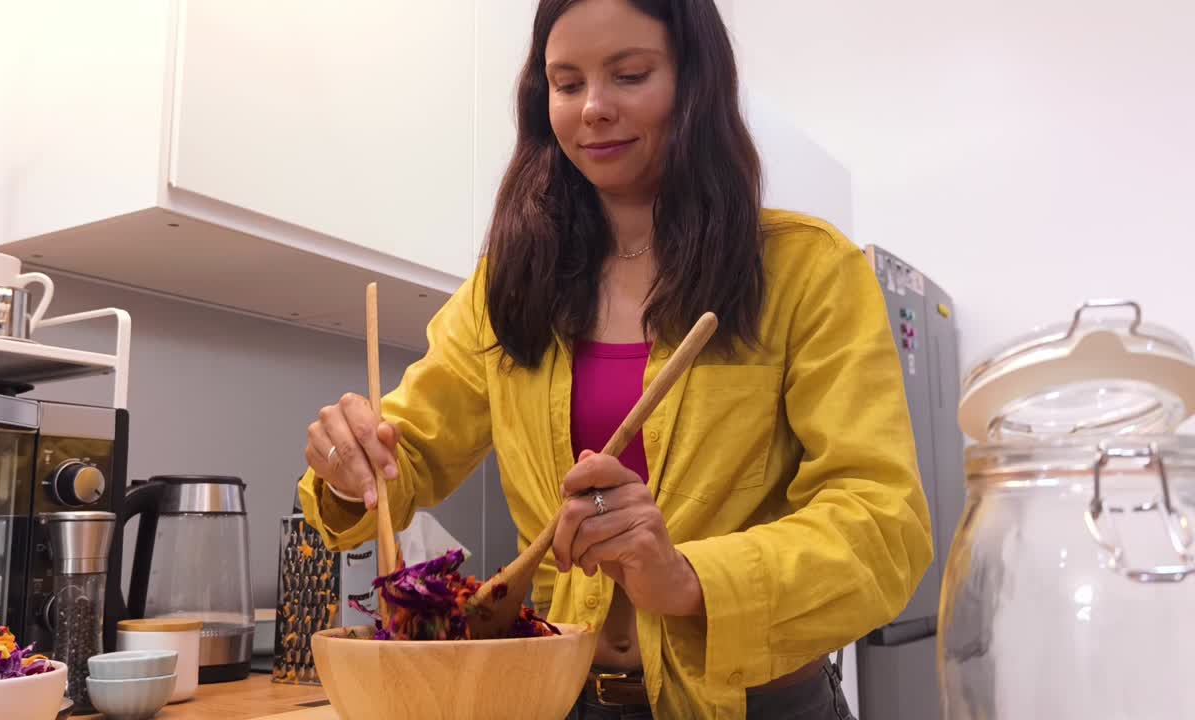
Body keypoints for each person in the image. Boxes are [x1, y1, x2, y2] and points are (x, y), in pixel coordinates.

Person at [299, 0, 932, 717]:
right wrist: (350, 467)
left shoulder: (806, 271)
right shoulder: (507, 283)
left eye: (629, 75)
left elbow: (885, 525)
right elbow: (405, 456)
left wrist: (689, 576)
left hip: (757, 703)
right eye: (567, 85)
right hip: (556, 697)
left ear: (694, 83)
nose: (593, 108)